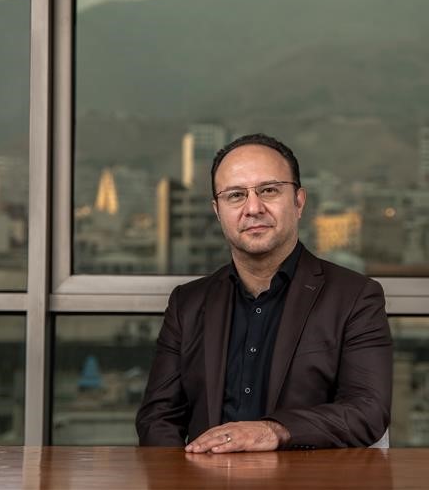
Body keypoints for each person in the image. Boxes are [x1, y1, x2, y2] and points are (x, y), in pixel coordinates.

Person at [136, 133, 392, 452]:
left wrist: (274, 431)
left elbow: (367, 410)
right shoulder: (187, 303)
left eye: (269, 190)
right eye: (235, 195)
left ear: (298, 201)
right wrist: (182, 473)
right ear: (218, 211)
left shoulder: (355, 297)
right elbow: (157, 418)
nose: (253, 208)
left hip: (309, 477)